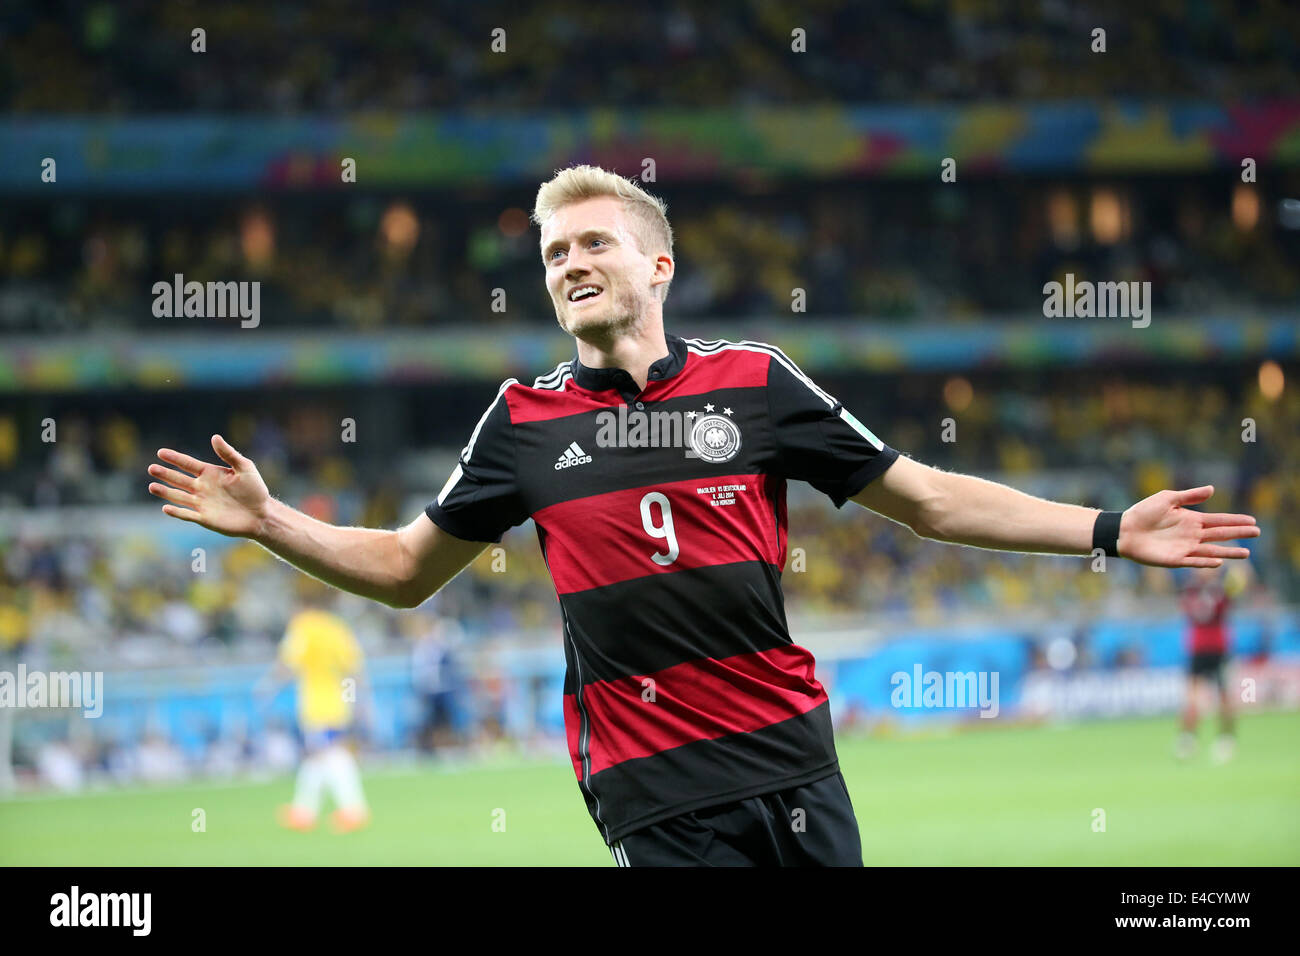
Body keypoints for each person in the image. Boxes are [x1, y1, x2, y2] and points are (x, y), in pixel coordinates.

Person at [148, 164, 1260, 866]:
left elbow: (924, 496)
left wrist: (1106, 527)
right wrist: (272, 520)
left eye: (593, 243)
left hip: (792, 757)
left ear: (657, 264)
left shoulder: (756, 382)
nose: (570, 264)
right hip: (653, 787)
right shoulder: (522, 420)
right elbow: (401, 566)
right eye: (552, 255)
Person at [255, 579, 370, 833]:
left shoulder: (303, 627)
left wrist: (267, 688)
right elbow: (354, 666)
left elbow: (288, 662)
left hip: (317, 703)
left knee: (329, 754)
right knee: (319, 755)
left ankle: (353, 809)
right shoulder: (336, 627)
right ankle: (304, 811)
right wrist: (363, 700)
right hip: (340, 701)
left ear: (300, 606)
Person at [1176, 564, 1248, 763]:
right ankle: (1188, 739)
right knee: (1192, 696)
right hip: (1198, 649)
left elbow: (1242, 578)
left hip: (1219, 649)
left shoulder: (1224, 588)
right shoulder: (1190, 589)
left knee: (1225, 697)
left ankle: (1226, 739)